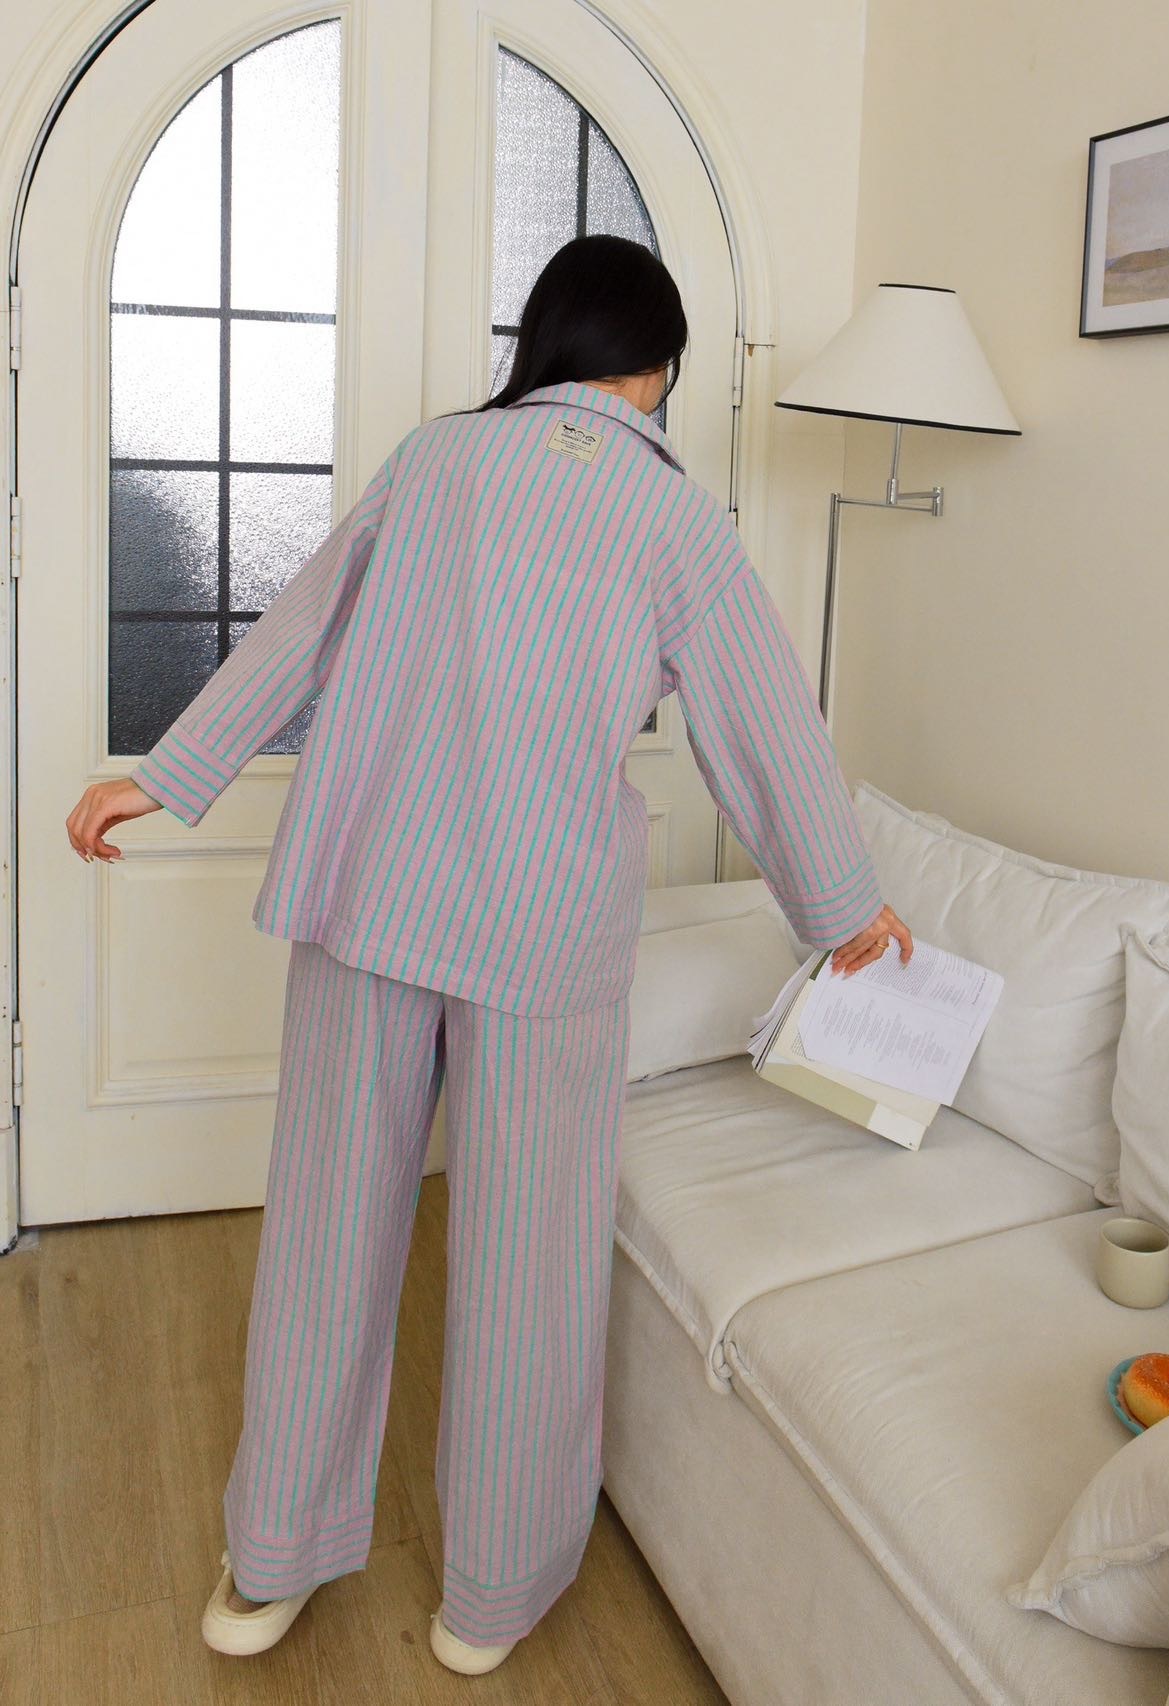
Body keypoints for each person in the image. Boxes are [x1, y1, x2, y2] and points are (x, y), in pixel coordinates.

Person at [64, 233, 912, 1673]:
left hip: (371, 896)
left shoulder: (437, 459)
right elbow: (762, 723)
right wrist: (845, 910)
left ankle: (269, 1561)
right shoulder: (676, 518)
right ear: (658, 369)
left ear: (546, 345)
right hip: (545, 929)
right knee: (532, 1261)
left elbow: (302, 627)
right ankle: (491, 1595)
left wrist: (168, 773)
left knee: (327, 1233)